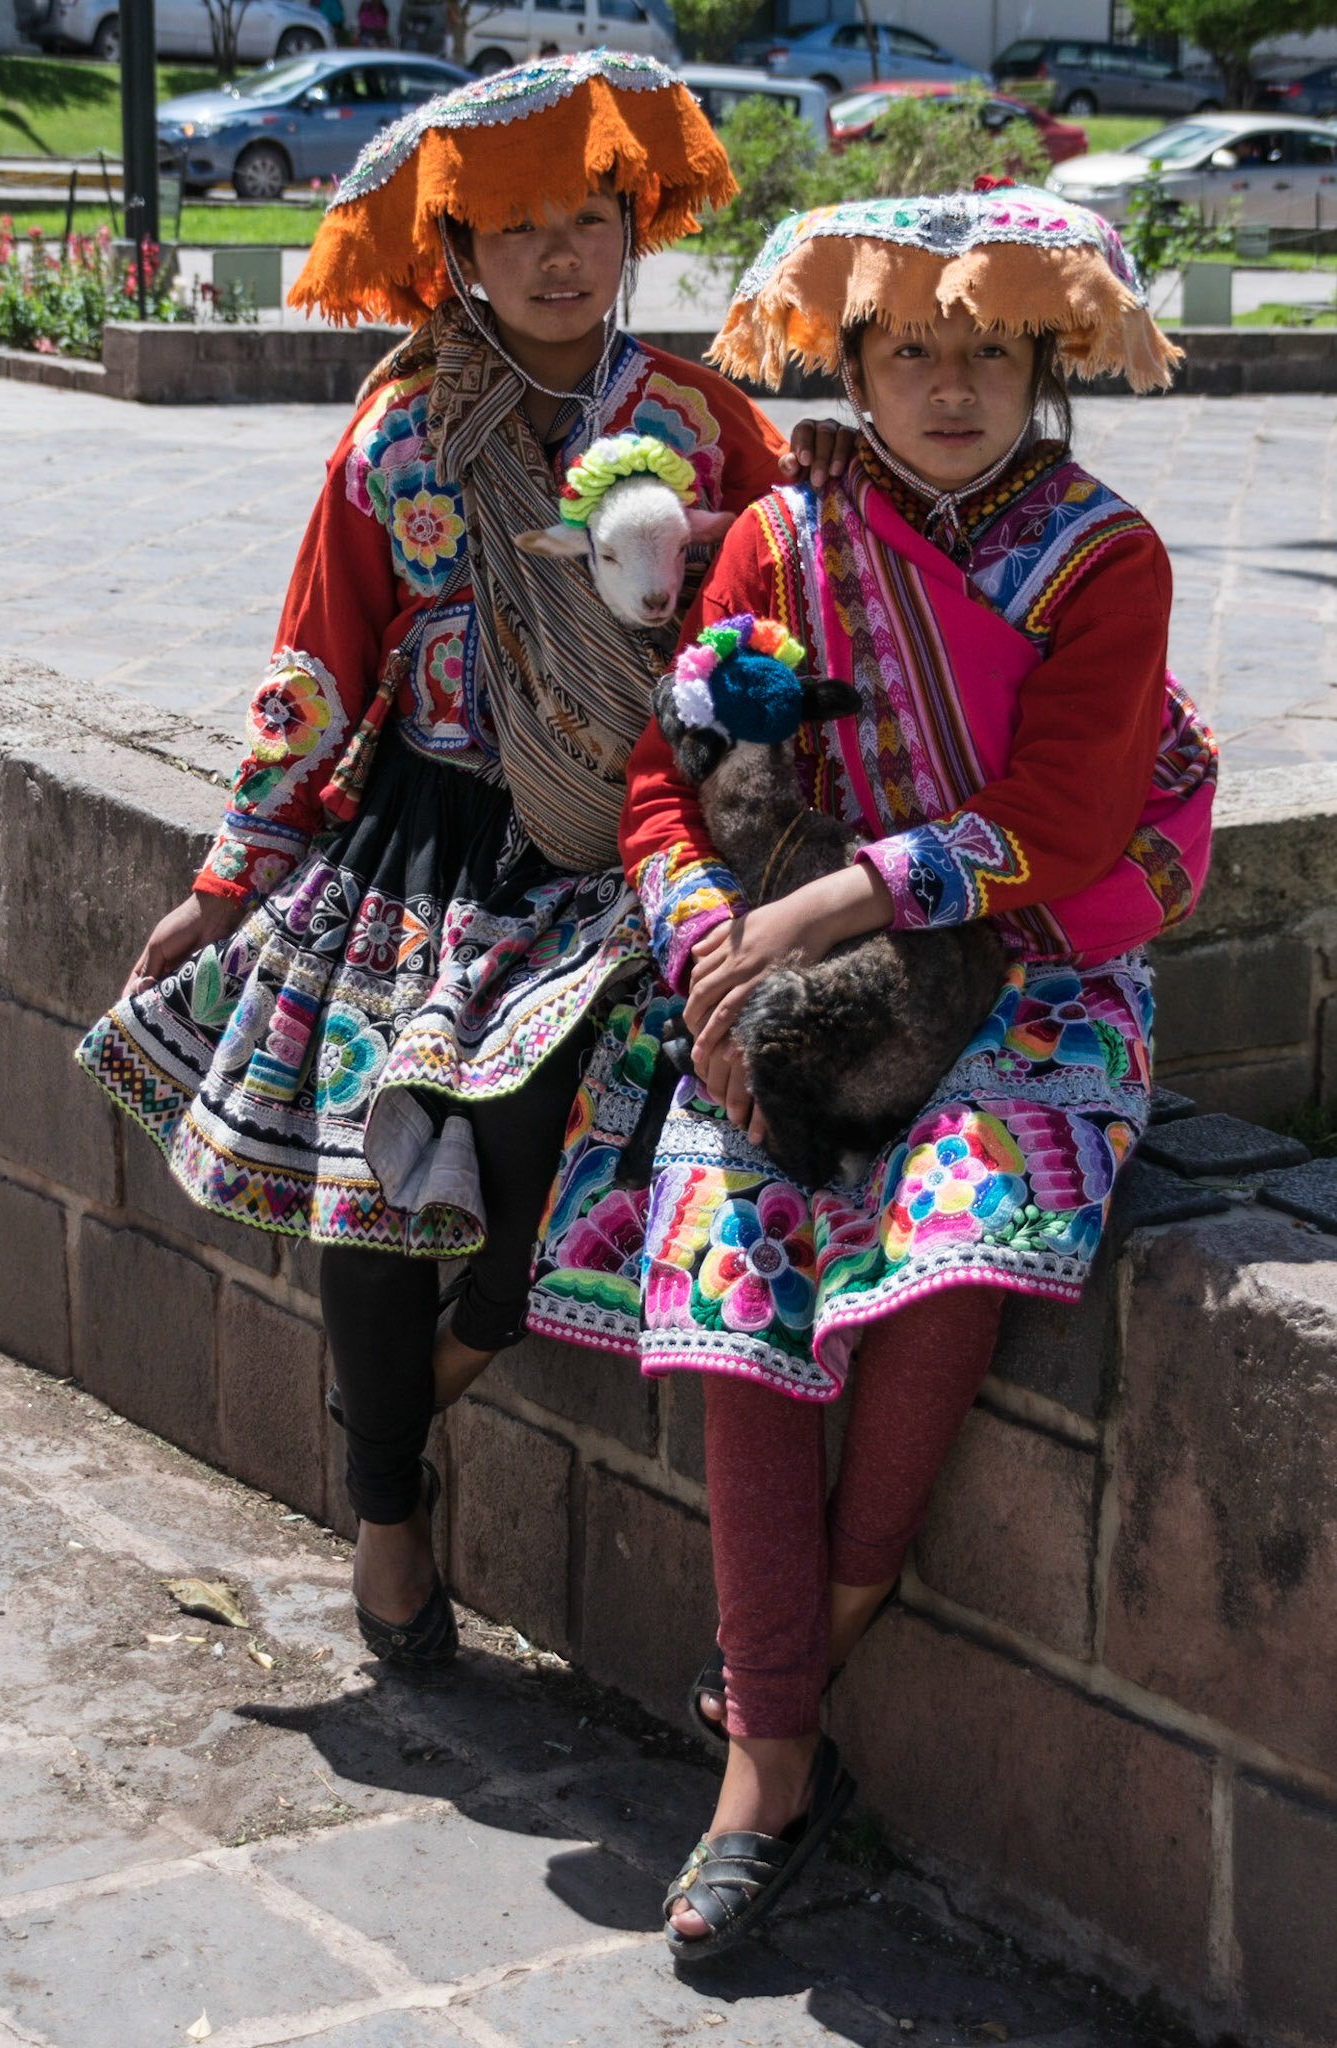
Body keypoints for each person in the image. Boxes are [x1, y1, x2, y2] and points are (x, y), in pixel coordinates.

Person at [75, 53, 851, 1677]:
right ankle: (385, 1514)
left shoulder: (702, 427)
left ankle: (453, 1353)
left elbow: (809, 610)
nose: (557, 255)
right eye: (515, 229)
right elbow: (317, 668)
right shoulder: (398, 434)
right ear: (454, 252)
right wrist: (228, 881)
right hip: (418, 843)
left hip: (625, 846)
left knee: (537, 1136)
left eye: (587, 216)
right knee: (375, 1163)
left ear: (632, 225)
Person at [530, 183, 1217, 1958]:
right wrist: (703, 951)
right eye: (908, 347)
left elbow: (1068, 823)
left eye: (989, 348)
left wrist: (836, 898)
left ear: (1043, 361)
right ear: (849, 360)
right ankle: (767, 1766)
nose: (949, 383)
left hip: (1031, 969)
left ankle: (810, 1634)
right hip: (786, 969)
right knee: (739, 1232)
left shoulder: (1101, 559)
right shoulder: (776, 541)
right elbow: (666, 774)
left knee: (949, 1239)